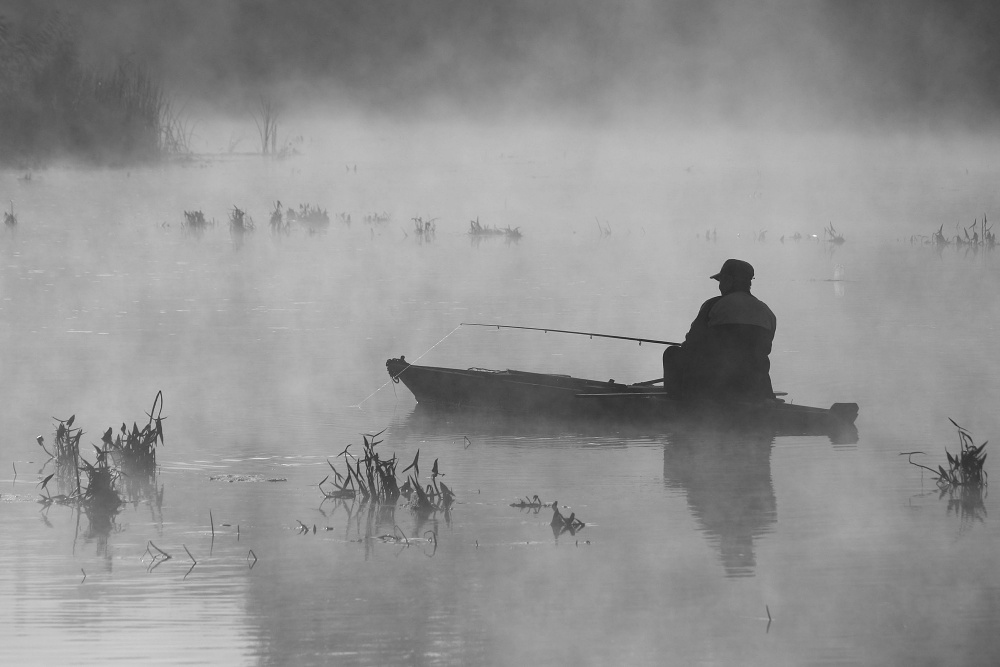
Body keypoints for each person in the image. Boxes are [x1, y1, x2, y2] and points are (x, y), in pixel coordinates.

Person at [662, 259, 776, 401]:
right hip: (756, 386)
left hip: (717, 386)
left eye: (721, 281)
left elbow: (692, 344)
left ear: (728, 281)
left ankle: (676, 404)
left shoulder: (714, 305)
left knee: (672, 353)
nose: (720, 286)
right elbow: (763, 349)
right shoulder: (767, 312)